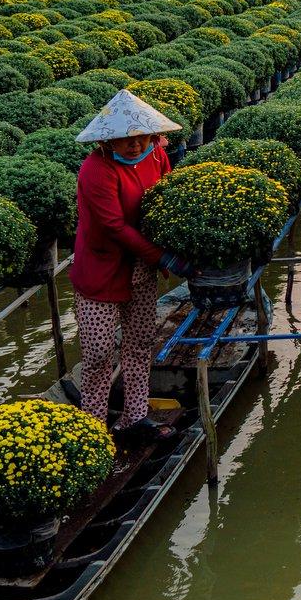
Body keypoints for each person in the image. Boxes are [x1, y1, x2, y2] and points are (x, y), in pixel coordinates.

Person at [70, 91, 187, 448]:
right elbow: (114, 227)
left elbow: (167, 201)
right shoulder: (96, 169)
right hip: (101, 272)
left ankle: (134, 418)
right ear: (108, 139)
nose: (136, 145)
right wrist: (163, 257)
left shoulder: (158, 157)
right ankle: (93, 426)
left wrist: (180, 245)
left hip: (141, 269)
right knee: (98, 353)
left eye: (142, 137)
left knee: (138, 344)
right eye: (127, 138)